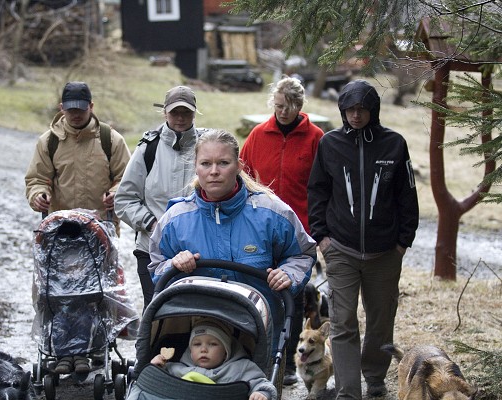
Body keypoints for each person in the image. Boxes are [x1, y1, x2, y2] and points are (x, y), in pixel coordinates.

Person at [148, 129, 317, 351]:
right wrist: (174, 264)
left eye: (223, 163)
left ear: (238, 165)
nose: (214, 172)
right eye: (206, 164)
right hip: (197, 334)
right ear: (196, 167)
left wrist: (288, 274)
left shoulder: (272, 213)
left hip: (258, 331)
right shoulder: (175, 219)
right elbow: (157, 266)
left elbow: (302, 253)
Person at [307, 79, 419, 399]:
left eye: (362, 109)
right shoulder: (329, 144)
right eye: (350, 109)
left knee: (381, 320)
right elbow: (317, 191)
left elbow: (407, 196)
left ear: (374, 110)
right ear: (342, 110)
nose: (356, 115)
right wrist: (322, 238)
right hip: (340, 248)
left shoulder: (394, 144)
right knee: (342, 322)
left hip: (385, 252)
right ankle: (348, 390)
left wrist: (402, 242)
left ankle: (374, 377)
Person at [24, 81, 131, 374]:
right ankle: (61, 353)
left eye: (80, 110)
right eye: (70, 110)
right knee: (59, 294)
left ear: (91, 108)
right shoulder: (49, 141)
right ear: (62, 109)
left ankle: (94, 348)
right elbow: (36, 178)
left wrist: (116, 192)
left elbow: (127, 178)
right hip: (59, 237)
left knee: (95, 293)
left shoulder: (111, 140)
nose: (75, 115)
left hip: (100, 235)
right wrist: (38, 195)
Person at [240, 76, 324, 385]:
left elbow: (323, 187)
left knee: (293, 295)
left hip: (300, 229)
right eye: (277, 106)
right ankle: (257, 358)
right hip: (259, 228)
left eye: (288, 107)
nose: (282, 112)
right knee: (259, 291)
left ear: (300, 106)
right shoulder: (258, 135)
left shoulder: (315, 138)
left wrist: (319, 228)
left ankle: (288, 362)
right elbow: (243, 175)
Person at [115, 85, 205, 311]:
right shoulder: (149, 148)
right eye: (175, 112)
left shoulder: (207, 147)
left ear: (195, 113)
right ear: (165, 113)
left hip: (200, 252)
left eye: (186, 112)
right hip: (151, 251)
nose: (181, 118)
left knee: (197, 313)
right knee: (157, 312)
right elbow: (124, 199)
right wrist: (152, 224)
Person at [150, 318, 277, 400]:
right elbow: (155, 381)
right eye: (197, 344)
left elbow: (261, 382)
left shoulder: (241, 368)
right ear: (190, 350)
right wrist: (155, 366)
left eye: (213, 344)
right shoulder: (177, 368)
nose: (203, 349)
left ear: (226, 350)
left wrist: (262, 393)